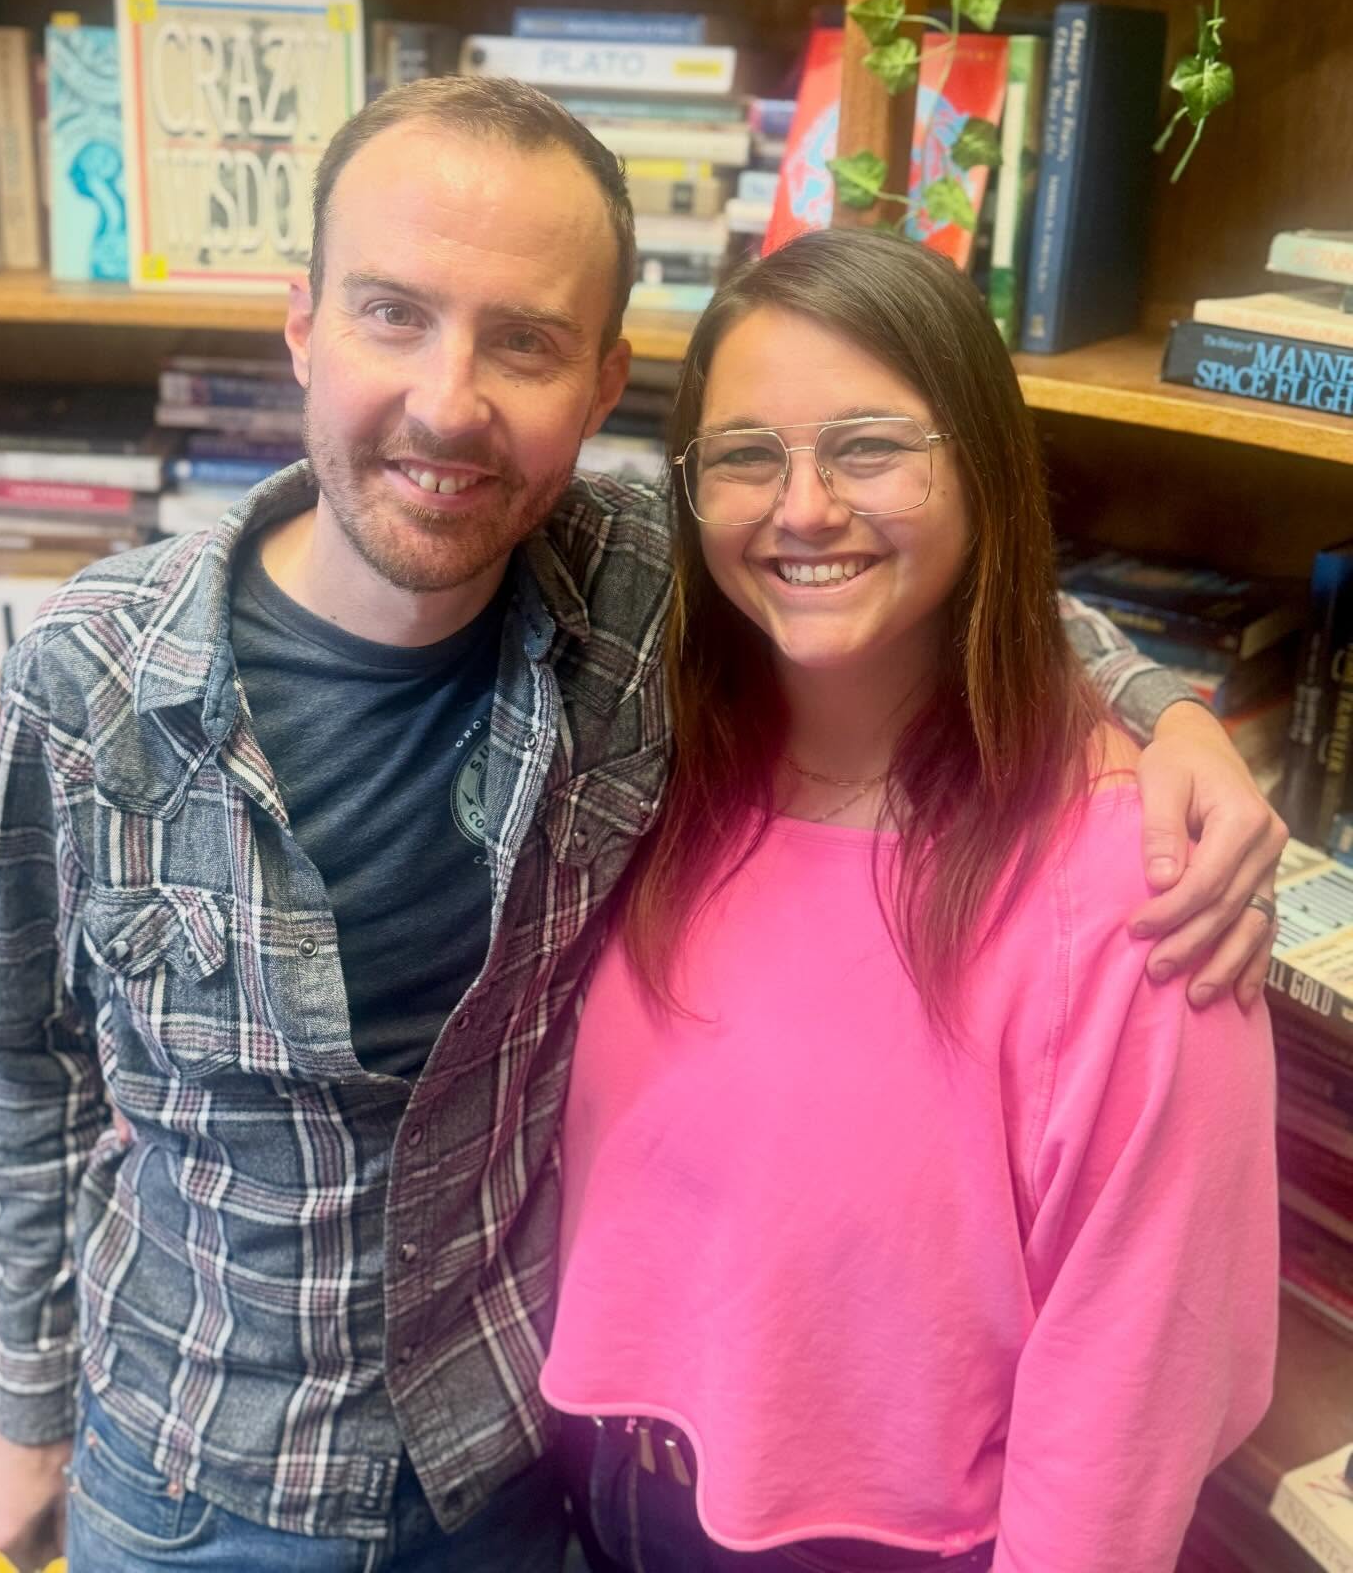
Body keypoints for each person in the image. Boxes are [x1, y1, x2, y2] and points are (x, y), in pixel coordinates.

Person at [0, 79, 1285, 1573]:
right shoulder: (94, 675)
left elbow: (920, 568)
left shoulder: (633, 595)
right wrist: (27, 1412)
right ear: (302, 326)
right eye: (392, 313)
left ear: (602, 390)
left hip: (508, 1478)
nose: (449, 401)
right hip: (194, 1474)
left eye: (522, 341)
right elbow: (25, 1062)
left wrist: (1173, 712)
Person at [542, 229, 1280, 1573]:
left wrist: (1173, 713)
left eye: (872, 445)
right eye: (749, 456)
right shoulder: (648, 764)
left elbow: (1136, 1382)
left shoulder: (1137, 878)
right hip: (600, 1493)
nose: (805, 506)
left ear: (983, 467)